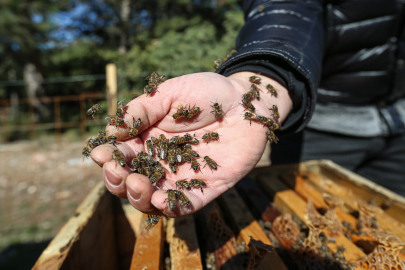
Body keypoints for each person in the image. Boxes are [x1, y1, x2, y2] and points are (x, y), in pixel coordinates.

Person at [91, 0, 405, 219]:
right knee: (309, 219)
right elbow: (285, 7)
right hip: (318, 124)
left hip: (401, 127)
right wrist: (260, 77)